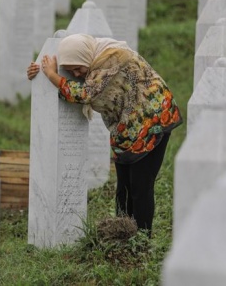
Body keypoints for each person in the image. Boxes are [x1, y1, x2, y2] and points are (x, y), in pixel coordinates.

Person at [27, 33, 183, 236]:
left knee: (140, 186)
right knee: (123, 188)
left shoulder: (111, 58)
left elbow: (85, 94)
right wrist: (38, 72)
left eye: (78, 68)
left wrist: (51, 76)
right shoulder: (93, 62)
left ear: (86, 58)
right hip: (127, 128)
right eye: (71, 70)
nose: (77, 73)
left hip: (153, 120)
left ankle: (142, 241)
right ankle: (122, 236)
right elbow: (77, 85)